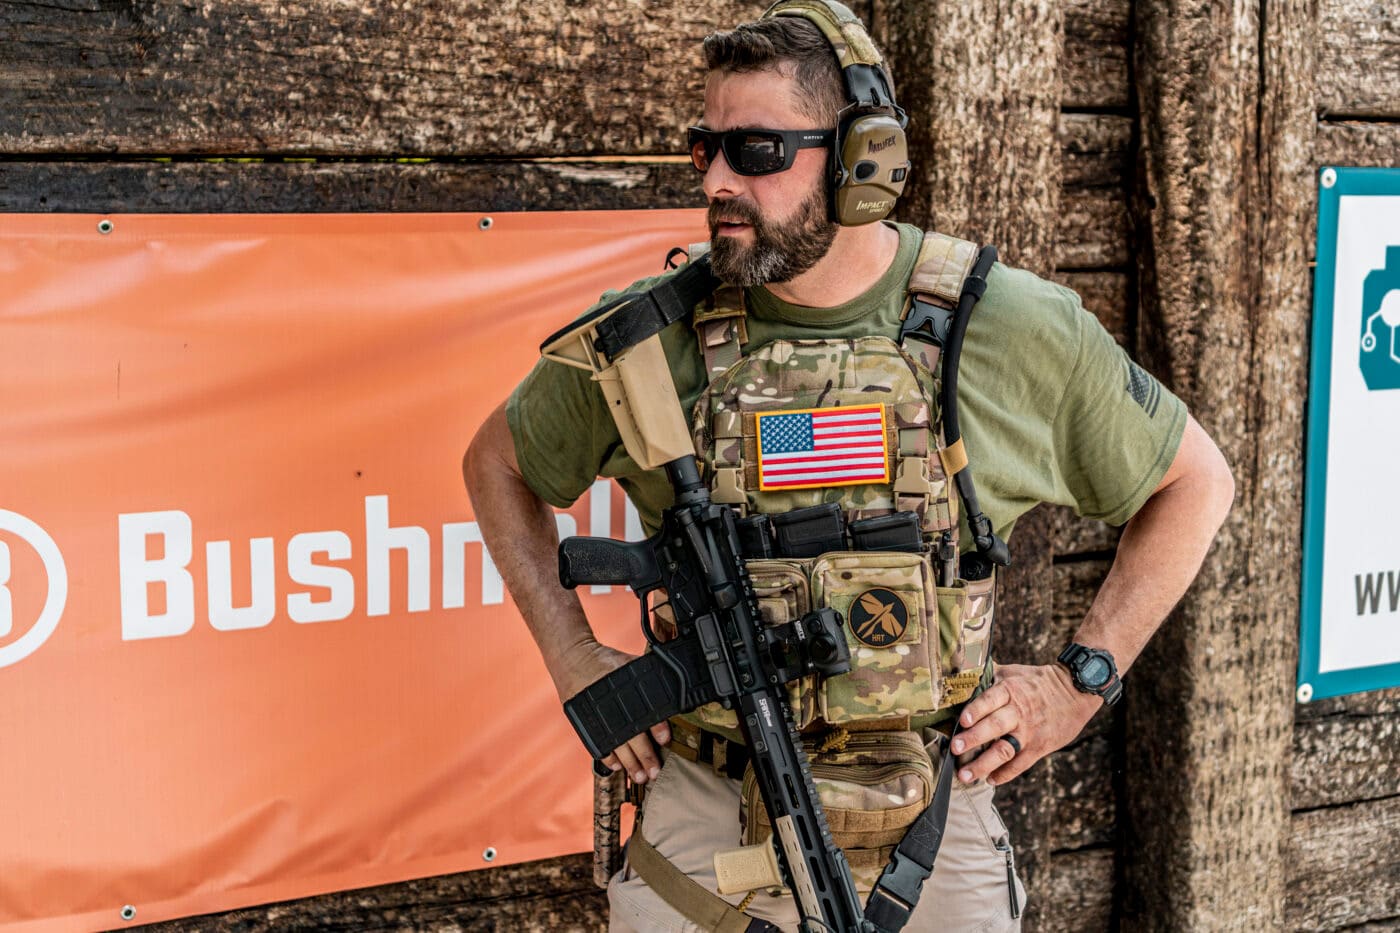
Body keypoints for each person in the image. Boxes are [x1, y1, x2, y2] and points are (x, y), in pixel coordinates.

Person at [463, 4, 1234, 931]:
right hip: (710, 818)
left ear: (865, 160)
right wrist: (575, 658)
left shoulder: (1008, 327)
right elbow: (495, 465)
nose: (715, 179)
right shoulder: (644, 341)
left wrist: (1080, 683)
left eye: (753, 151)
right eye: (703, 147)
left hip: (931, 820)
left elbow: (1195, 481)